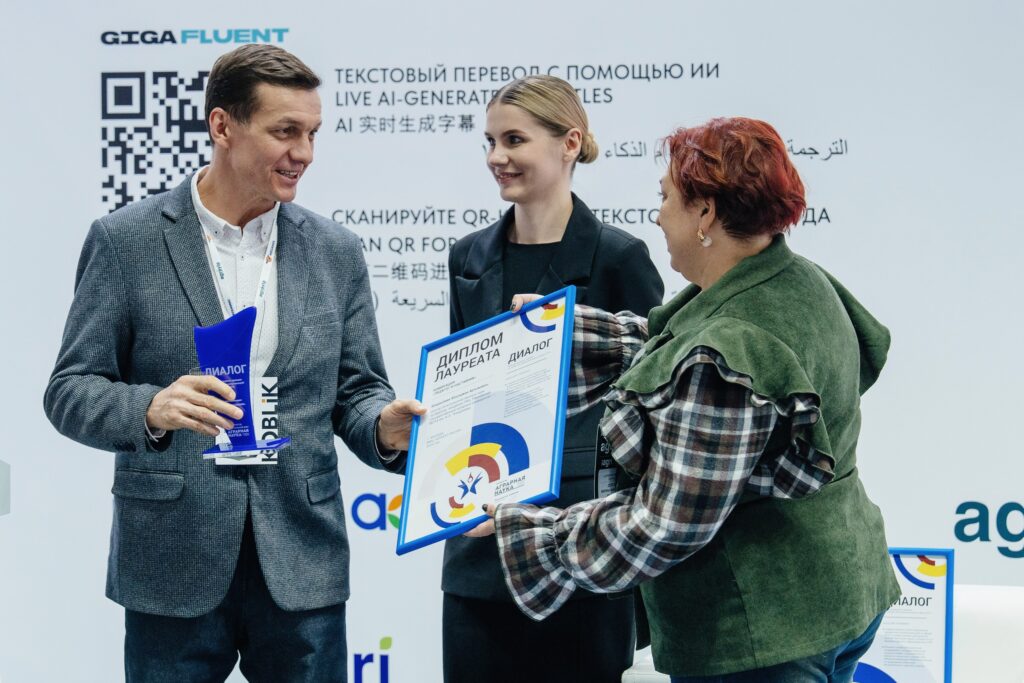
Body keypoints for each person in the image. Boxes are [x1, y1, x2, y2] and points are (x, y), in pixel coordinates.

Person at [469, 117, 899, 682]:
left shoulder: (727, 355)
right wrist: (561, 331)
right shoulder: (793, 280)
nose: (657, 215)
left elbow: (664, 523)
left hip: (764, 629)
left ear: (706, 215)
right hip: (840, 588)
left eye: (666, 197)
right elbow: (670, 348)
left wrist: (529, 534)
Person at [44, 44, 424, 682]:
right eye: (285, 131)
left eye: (312, 133)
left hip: (301, 560)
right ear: (222, 126)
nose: (304, 152)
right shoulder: (126, 241)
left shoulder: (336, 251)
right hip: (172, 562)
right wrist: (151, 407)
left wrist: (383, 427)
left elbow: (357, 392)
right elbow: (69, 390)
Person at [443, 75, 664, 683]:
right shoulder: (467, 258)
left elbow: (654, 396)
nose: (496, 156)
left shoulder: (620, 257)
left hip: (582, 541)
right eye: (490, 141)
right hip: (478, 539)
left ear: (569, 143)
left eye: (514, 140)